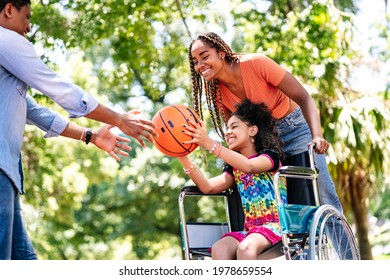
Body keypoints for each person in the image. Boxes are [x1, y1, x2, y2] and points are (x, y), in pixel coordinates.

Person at [0, 0, 158, 260]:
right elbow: (62, 90)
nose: (28, 27)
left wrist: (91, 135)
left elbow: (34, 111)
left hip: (8, 175)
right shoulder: (6, 39)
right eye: (26, 17)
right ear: (8, 10)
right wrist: (118, 119)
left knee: (25, 261)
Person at [187, 31, 342, 212]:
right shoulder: (215, 91)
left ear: (221, 52)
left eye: (205, 56)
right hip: (264, 141)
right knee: (278, 202)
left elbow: (304, 97)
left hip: (295, 129)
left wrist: (317, 136)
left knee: (322, 194)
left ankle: (343, 240)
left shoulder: (255, 63)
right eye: (195, 61)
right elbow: (236, 131)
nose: (199, 65)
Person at [178, 99, 287, 260]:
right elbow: (208, 187)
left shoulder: (270, 157)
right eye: (227, 128)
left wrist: (209, 143)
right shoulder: (234, 169)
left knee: (245, 249)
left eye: (234, 126)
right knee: (219, 248)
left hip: (276, 226)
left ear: (253, 130)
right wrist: (182, 157)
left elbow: (249, 166)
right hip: (250, 230)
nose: (227, 132)